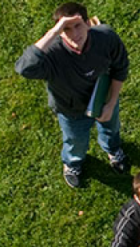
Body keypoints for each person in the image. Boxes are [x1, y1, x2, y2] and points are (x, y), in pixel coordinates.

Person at [15, 2, 130, 188]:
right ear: (59, 32)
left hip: (104, 97)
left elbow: (120, 67)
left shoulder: (105, 37)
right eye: (66, 29)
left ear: (87, 23)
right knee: (75, 141)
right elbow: (24, 68)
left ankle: (113, 149)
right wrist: (53, 32)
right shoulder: (52, 55)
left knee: (111, 127)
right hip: (71, 109)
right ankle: (73, 163)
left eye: (77, 25)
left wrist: (111, 102)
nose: (74, 34)